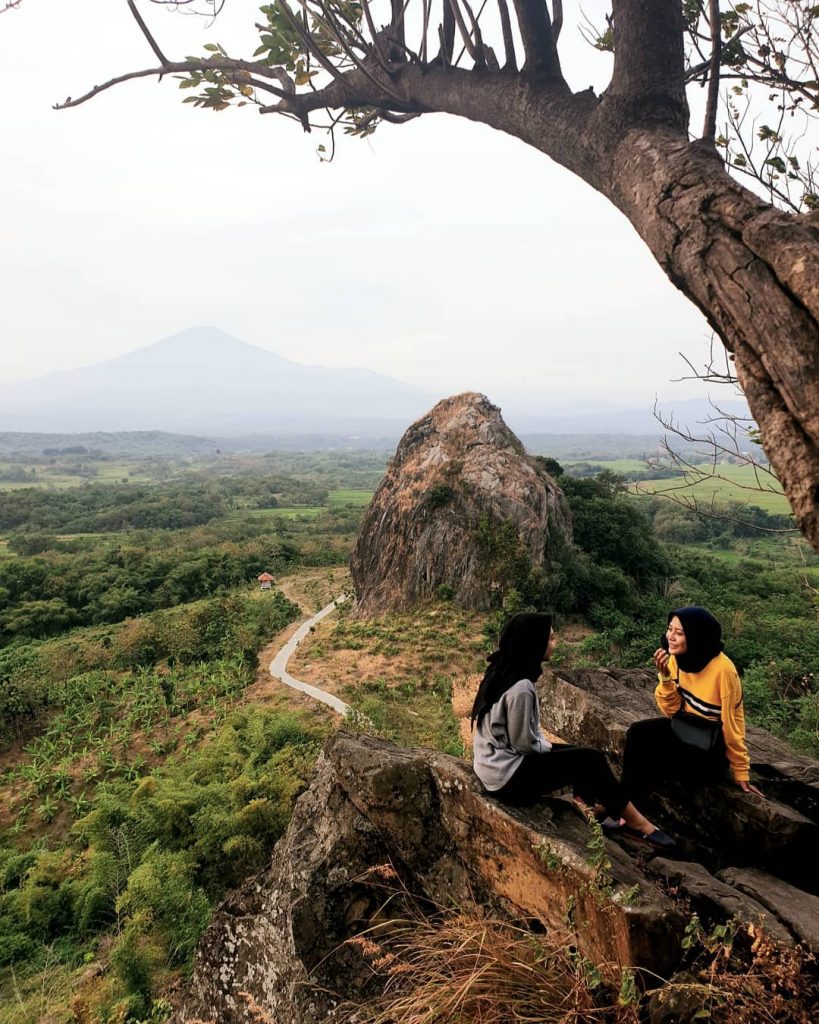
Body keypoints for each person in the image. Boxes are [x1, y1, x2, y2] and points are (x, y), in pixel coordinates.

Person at [471, 611, 675, 849]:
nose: (555, 644)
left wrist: (554, 750)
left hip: (492, 765)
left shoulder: (501, 669)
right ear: (534, 644)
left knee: (584, 757)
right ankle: (638, 824)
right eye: (551, 639)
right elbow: (523, 744)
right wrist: (549, 746)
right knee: (588, 760)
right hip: (507, 779)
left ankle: (600, 811)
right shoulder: (521, 687)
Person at [621, 606, 763, 802]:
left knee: (657, 758)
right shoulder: (677, 659)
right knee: (637, 733)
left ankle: (628, 807)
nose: (670, 636)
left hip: (710, 748)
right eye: (670, 629)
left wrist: (741, 770)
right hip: (686, 728)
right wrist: (665, 677)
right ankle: (623, 804)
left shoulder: (723, 671)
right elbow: (670, 710)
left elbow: (732, 725)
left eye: (679, 633)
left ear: (697, 637)